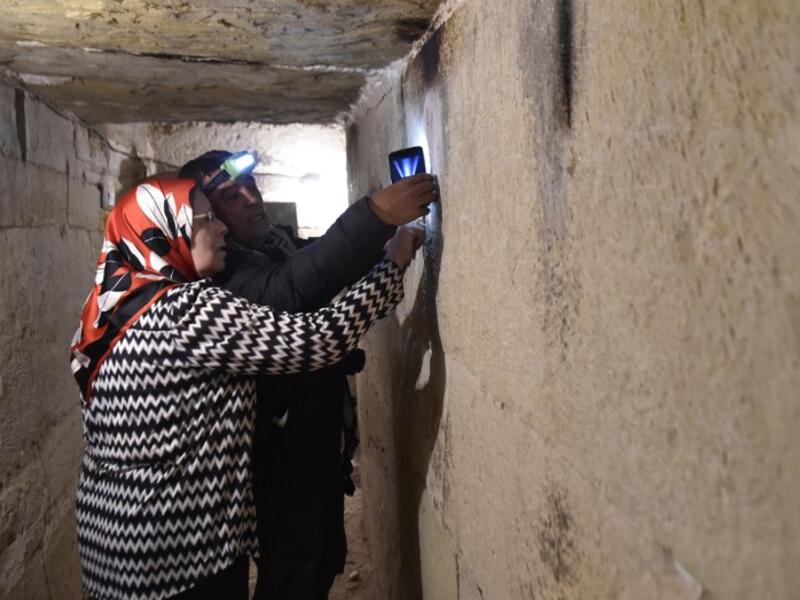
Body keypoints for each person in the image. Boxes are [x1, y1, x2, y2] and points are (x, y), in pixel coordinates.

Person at [69, 174, 422, 600]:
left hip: (110, 539)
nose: (221, 228)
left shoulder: (107, 305)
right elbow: (317, 339)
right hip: (179, 551)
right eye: (205, 217)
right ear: (166, 228)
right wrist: (393, 263)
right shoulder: (184, 310)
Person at [178, 151, 437, 599]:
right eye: (230, 197)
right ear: (205, 216)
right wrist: (376, 218)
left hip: (311, 444)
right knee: (294, 570)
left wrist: (383, 242)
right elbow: (289, 291)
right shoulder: (219, 281)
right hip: (276, 460)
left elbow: (316, 264)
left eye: (251, 186)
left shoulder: (272, 244)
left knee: (319, 556)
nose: (252, 199)